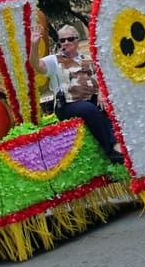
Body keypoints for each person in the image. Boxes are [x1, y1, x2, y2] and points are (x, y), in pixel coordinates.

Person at [31, 24, 123, 163]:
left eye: (70, 39)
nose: (66, 43)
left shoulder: (87, 59)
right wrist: (34, 46)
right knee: (89, 110)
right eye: (62, 40)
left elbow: (101, 80)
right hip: (67, 104)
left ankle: (119, 145)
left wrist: (101, 93)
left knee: (107, 106)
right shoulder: (54, 60)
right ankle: (110, 150)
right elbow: (36, 65)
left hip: (91, 98)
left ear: (77, 40)